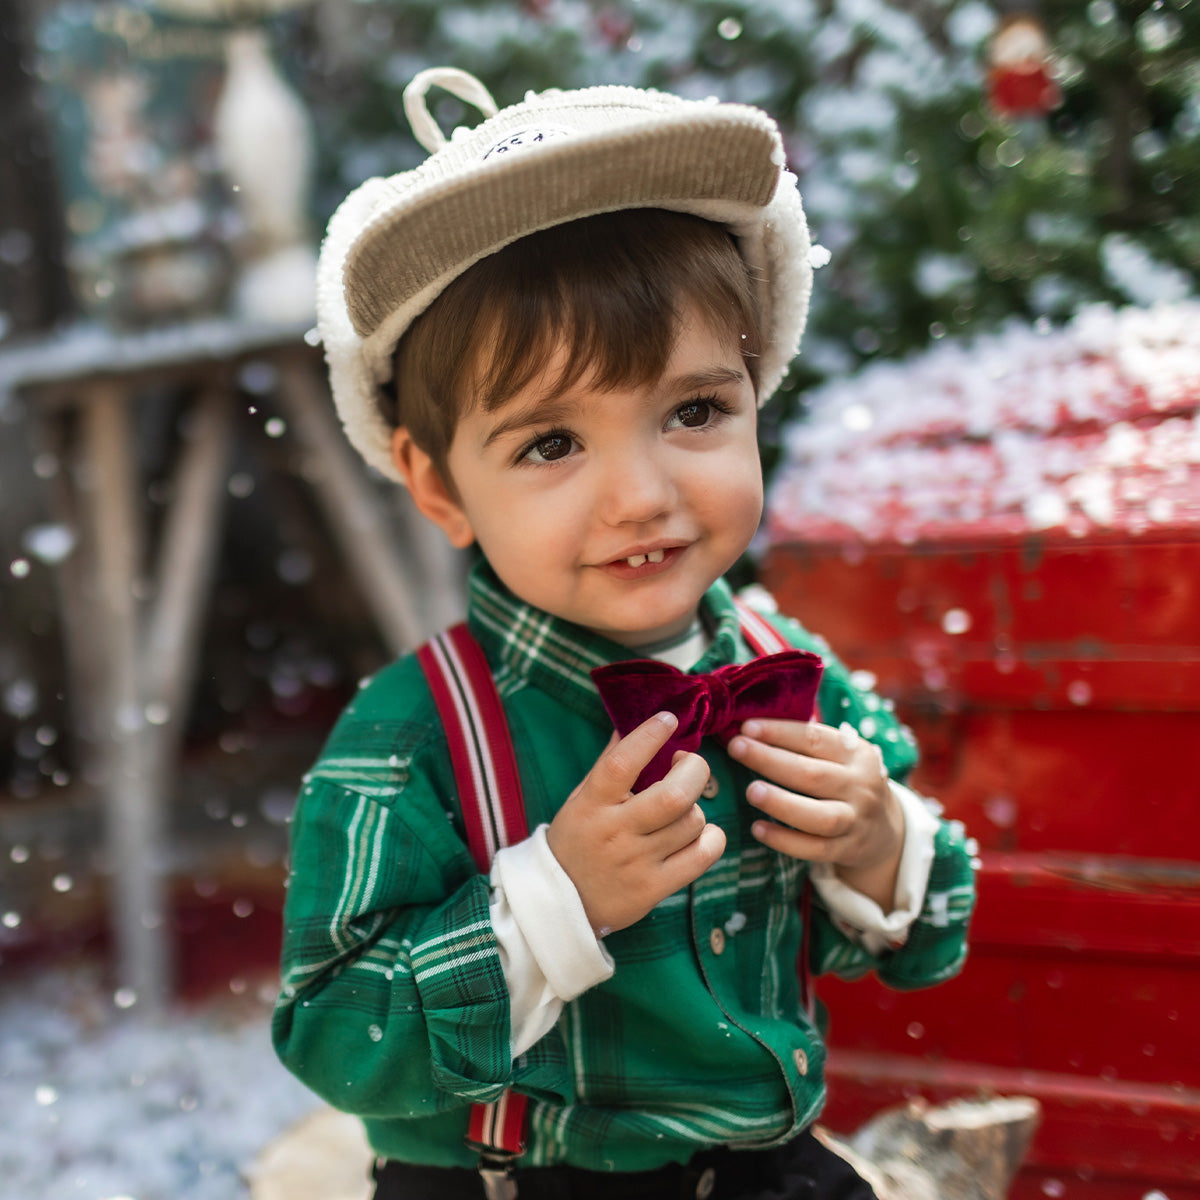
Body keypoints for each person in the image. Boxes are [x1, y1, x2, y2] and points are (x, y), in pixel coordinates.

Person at [273, 67, 976, 1200]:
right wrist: (554, 902)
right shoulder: (414, 736)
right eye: (552, 444)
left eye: (694, 412)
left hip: (763, 1173)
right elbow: (333, 1040)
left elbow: (924, 934)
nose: (642, 495)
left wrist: (874, 839)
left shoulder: (778, 664)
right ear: (438, 483)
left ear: (756, 395)